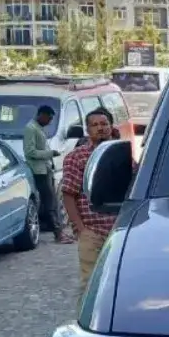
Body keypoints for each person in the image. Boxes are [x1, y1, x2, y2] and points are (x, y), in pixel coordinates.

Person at [60, 107, 117, 304]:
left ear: (111, 126)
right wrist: (80, 229)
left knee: (118, 283)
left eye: (104, 124)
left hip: (118, 230)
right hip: (92, 231)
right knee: (91, 285)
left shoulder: (123, 154)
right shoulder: (76, 158)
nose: (100, 128)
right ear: (87, 130)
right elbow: (68, 194)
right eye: (95, 125)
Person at [22, 105, 73, 244]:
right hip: (39, 171)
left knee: (53, 202)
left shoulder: (39, 128)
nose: (50, 122)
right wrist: (50, 153)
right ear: (41, 115)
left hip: (46, 169)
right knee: (49, 203)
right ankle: (58, 234)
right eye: (49, 118)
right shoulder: (30, 129)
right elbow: (30, 152)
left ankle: (60, 231)